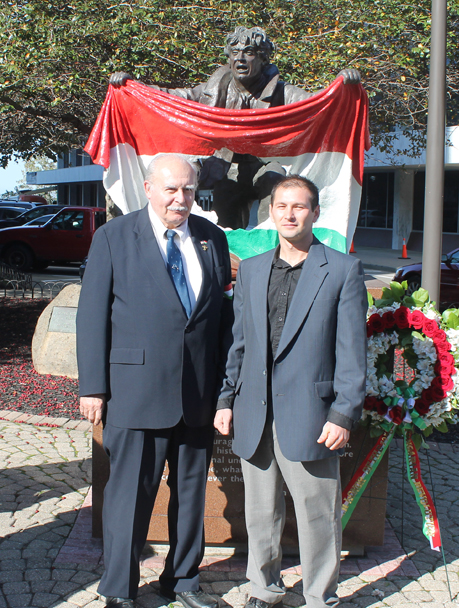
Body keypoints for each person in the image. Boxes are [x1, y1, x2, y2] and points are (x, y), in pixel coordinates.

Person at [76, 154, 233, 608]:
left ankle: (182, 580)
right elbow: (92, 317)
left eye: (188, 190)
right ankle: (119, 588)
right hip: (136, 390)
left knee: (190, 495)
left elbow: (218, 319)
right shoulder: (113, 237)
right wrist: (93, 386)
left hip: (197, 394)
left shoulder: (212, 239)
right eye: (171, 189)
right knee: (130, 495)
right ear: (148, 189)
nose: (181, 199)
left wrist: (225, 390)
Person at [214, 175, 367, 608]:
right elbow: (239, 343)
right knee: (261, 513)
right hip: (254, 411)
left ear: (315, 213)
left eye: (299, 206)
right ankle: (264, 589)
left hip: (313, 415)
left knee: (318, 514)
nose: (289, 214)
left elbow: (353, 352)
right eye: (281, 206)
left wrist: (343, 413)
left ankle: (319, 595)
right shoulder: (254, 269)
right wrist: (226, 399)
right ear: (271, 211)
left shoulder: (342, 269)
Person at [109, 26, 360, 228]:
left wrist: (340, 87)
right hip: (226, 164)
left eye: (249, 52)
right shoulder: (213, 89)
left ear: (262, 58)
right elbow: (176, 97)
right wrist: (135, 87)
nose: (240, 58)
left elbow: (315, 102)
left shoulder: (281, 91)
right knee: (223, 197)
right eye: (235, 53)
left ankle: (269, 243)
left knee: (275, 186)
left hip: (264, 163)